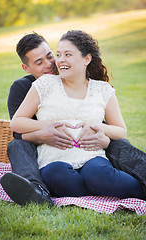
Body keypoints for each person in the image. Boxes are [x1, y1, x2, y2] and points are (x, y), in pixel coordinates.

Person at [9, 30, 145, 200]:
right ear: (27, 67)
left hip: (91, 153)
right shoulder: (39, 85)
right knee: (53, 172)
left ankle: (136, 183)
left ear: (86, 59)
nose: (54, 63)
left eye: (54, 55)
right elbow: (17, 126)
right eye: (59, 55)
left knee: (98, 171)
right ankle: (36, 190)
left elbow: (118, 130)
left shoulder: (101, 89)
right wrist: (47, 129)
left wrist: (99, 131)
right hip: (51, 156)